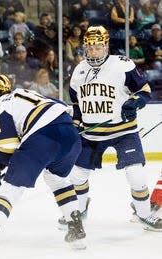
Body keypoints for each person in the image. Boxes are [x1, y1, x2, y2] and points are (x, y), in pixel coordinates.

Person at [0, 74, 85, 259]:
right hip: (71, 137)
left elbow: (8, 146)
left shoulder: (0, 105)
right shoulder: (26, 94)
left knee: (9, 190)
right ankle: (76, 229)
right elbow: (68, 111)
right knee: (57, 179)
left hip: (42, 139)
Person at [66, 25, 162, 230]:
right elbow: (76, 105)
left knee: (136, 174)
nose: (93, 52)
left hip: (124, 131)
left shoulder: (123, 64)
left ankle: (144, 214)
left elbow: (144, 89)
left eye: (97, 48)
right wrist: (75, 125)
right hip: (91, 134)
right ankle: (80, 211)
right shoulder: (79, 70)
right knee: (77, 175)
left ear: (106, 46)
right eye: (89, 48)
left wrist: (134, 102)